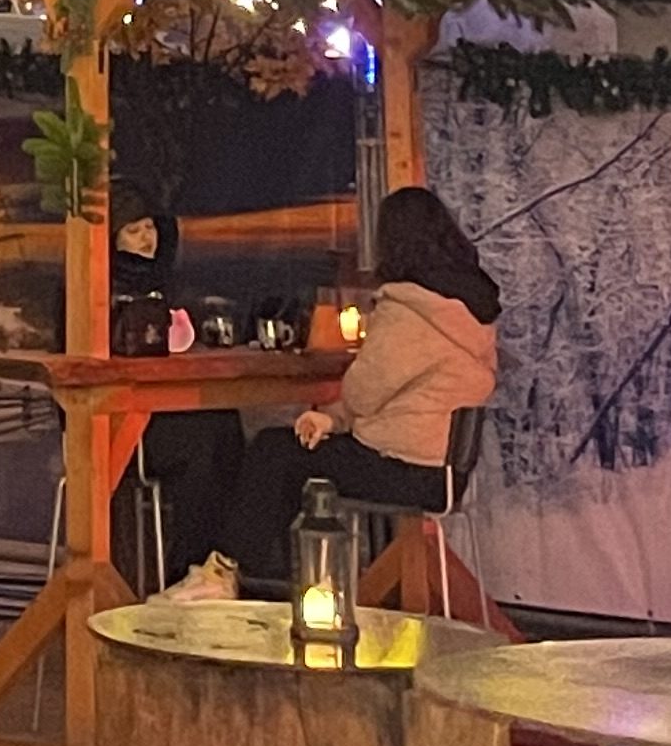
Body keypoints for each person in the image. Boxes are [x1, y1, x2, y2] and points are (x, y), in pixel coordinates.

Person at [167, 184, 498, 601]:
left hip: (404, 467)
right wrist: (331, 418)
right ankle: (243, 576)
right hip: (442, 469)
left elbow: (363, 391)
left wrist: (339, 411)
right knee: (289, 455)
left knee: (275, 451)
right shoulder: (471, 307)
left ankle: (224, 572)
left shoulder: (412, 310)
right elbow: (384, 394)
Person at [105, 189, 240, 589]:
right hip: (120, 424)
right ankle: (187, 569)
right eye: (133, 230)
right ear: (111, 239)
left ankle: (215, 566)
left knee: (226, 426)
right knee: (203, 443)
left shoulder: (169, 285)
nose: (147, 237)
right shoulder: (94, 291)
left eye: (150, 227)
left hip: (164, 409)